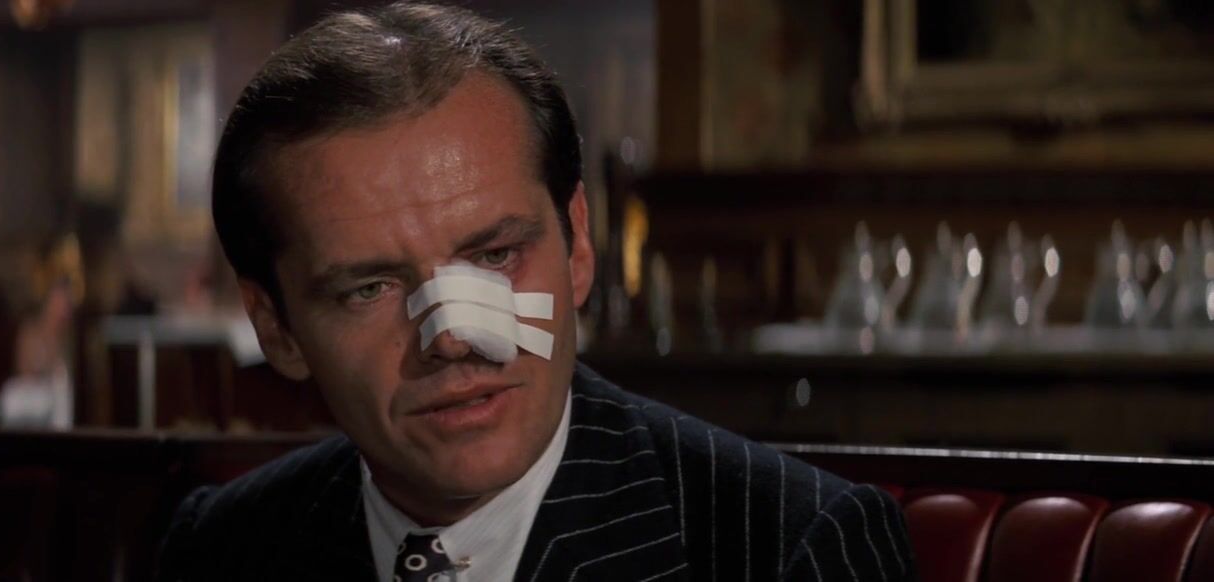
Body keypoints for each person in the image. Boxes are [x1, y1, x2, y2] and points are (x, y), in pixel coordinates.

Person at [157, 3, 915, 581]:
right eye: (371, 287)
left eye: (494, 255)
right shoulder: (219, 549)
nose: (453, 338)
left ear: (577, 246)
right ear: (277, 327)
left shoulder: (788, 547)